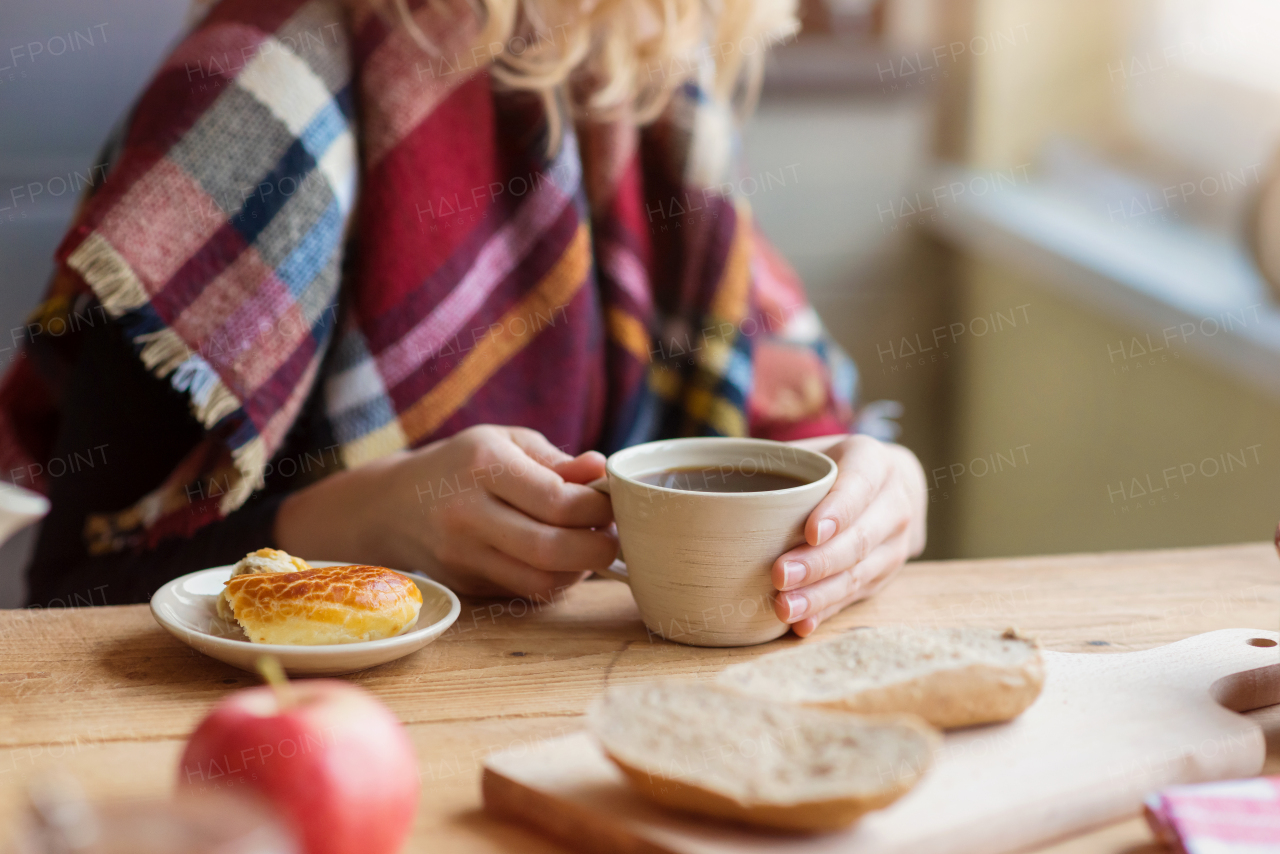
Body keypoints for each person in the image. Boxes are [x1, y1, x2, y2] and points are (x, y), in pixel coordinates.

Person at [0, 0, 927, 637]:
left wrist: (883, 496)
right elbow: (71, 599)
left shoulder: (642, 69)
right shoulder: (260, 84)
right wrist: (360, 525)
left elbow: (800, 434)